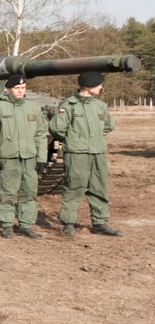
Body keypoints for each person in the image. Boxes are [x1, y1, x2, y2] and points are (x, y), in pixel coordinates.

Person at [50, 72, 121, 237]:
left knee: (99, 187)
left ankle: (100, 222)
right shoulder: (69, 105)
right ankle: (68, 223)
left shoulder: (100, 106)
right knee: (74, 186)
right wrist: (76, 139)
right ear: (88, 86)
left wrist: (93, 137)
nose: (101, 87)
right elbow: (57, 128)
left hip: (98, 152)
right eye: (99, 84)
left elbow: (109, 125)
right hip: (77, 153)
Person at [0, 75, 48, 240]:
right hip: (9, 157)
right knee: (7, 193)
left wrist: (42, 158)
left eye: (23, 88)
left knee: (30, 192)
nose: (20, 91)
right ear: (9, 89)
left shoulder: (33, 108)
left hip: (30, 157)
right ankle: (7, 224)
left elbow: (41, 134)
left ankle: (26, 225)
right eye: (17, 88)